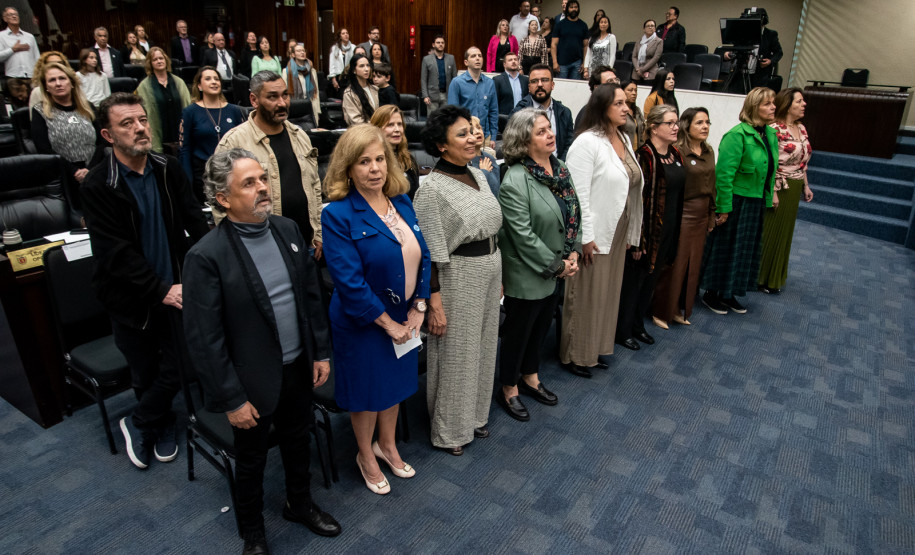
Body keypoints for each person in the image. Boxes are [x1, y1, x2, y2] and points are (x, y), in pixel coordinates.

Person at [183, 148, 341, 555]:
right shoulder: (206, 256)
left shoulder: (288, 230)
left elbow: (311, 298)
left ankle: (299, 504)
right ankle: (253, 535)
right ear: (223, 198)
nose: (263, 188)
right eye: (249, 183)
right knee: (252, 462)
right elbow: (205, 339)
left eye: (263, 179)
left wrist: (321, 353)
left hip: (298, 366)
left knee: (298, 440)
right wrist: (231, 399)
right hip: (250, 380)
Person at [80, 92, 209, 470]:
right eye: (127, 123)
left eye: (142, 120)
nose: (139, 128)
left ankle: (141, 419)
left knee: (183, 360)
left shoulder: (168, 168)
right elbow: (116, 253)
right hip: (129, 295)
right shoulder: (99, 184)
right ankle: (159, 420)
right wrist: (159, 289)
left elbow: (194, 220)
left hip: (175, 285)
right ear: (108, 136)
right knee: (145, 368)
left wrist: (209, 266)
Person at [321, 124, 431, 495]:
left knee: (395, 387)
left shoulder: (401, 201)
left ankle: (387, 445)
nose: (375, 168)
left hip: (404, 317)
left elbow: (424, 255)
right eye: (364, 161)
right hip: (365, 324)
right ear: (348, 168)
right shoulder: (338, 215)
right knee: (367, 394)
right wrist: (388, 325)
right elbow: (350, 283)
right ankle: (365, 454)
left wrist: (420, 305)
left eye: (380, 159)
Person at [412, 105, 502, 455]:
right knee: (457, 354)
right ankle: (450, 430)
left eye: (472, 131)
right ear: (441, 145)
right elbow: (430, 253)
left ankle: (475, 417)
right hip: (458, 275)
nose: (472, 138)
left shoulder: (477, 173)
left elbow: (492, 226)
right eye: (461, 134)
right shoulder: (431, 189)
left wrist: (499, 273)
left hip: (490, 267)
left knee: (484, 347)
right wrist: (434, 302)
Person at [498, 107, 581, 421]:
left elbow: (574, 211)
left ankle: (530, 376)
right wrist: (558, 266)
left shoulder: (559, 168)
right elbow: (523, 236)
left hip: (557, 268)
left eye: (550, 128)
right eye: (541, 131)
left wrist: (573, 254)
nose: (551, 135)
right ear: (524, 141)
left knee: (541, 328)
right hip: (527, 272)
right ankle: (509, 387)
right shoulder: (515, 179)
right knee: (518, 334)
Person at [560, 83, 642, 374]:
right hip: (593, 233)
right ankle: (576, 354)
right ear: (601, 107)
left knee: (607, 292)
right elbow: (577, 194)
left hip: (617, 226)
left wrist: (631, 230)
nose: (625, 108)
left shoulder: (623, 137)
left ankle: (595, 349)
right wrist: (585, 236)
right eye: (618, 103)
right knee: (587, 294)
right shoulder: (586, 142)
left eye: (625, 103)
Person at [216, 70, 324, 256]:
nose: (282, 103)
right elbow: (220, 205)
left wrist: (318, 232)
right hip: (260, 248)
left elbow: (314, 186)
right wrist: (236, 251)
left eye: (285, 95)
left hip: (306, 243)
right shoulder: (233, 143)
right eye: (272, 97)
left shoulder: (300, 136)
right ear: (254, 100)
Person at [701, 87, 777, 315]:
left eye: (773, 103)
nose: (773, 107)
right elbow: (724, 175)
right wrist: (724, 208)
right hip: (736, 201)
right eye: (767, 104)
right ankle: (712, 293)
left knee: (743, 250)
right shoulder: (737, 135)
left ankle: (729, 293)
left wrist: (768, 196)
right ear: (754, 107)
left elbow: (770, 169)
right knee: (725, 249)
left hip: (755, 201)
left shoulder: (770, 134)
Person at [615, 105, 684, 350]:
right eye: (670, 123)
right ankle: (623, 330)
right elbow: (637, 202)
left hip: (668, 228)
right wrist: (638, 239)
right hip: (646, 232)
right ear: (654, 127)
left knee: (650, 281)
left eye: (676, 122)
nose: (676, 127)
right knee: (634, 283)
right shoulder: (644, 156)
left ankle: (637, 325)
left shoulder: (675, 154)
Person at [652, 107, 715, 328]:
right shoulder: (677, 151)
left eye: (707, 122)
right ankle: (661, 311)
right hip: (683, 213)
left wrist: (712, 214)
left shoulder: (708, 151)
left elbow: (712, 185)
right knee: (675, 265)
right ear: (687, 126)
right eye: (699, 122)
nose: (705, 126)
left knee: (692, 266)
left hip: (702, 214)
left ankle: (679, 309)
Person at [758, 88, 813, 294]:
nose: (804, 104)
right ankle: (760, 277)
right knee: (770, 232)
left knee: (785, 234)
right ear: (788, 105)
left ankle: (774, 277)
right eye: (799, 101)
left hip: (795, 186)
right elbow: (769, 163)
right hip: (778, 187)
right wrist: (772, 191)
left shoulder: (802, 128)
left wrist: (806, 185)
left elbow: (803, 162)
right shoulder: (774, 129)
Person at [179, 66, 245, 204]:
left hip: (231, 174)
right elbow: (185, 149)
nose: (214, 82)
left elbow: (243, 144)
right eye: (208, 79)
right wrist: (187, 183)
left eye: (216, 79)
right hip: (203, 176)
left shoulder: (234, 111)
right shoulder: (190, 112)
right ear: (199, 86)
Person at [31, 61, 102, 186]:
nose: (58, 83)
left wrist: (91, 169)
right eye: (52, 80)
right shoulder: (39, 111)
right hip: (61, 175)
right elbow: (43, 149)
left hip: (94, 172)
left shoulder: (88, 107)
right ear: (46, 87)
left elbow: (102, 141)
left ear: (72, 82)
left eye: (62, 78)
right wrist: (74, 171)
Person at [510, 64, 574, 160]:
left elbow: (569, 145)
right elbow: (514, 146)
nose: (539, 84)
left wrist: (559, 165)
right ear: (529, 87)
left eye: (544, 80)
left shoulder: (564, 113)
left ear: (552, 85)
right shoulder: (519, 113)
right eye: (534, 81)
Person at [136, 47, 192, 152]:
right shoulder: (144, 86)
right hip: (159, 136)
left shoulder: (179, 82)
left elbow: (188, 106)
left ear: (166, 60)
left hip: (180, 133)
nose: (159, 61)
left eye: (161, 58)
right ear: (150, 63)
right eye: (155, 59)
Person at [447, 47, 497, 150]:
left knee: (487, 160)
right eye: (473, 56)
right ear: (466, 62)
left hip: (485, 137)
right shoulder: (457, 83)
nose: (477, 58)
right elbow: (453, 113)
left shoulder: (490, 83)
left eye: (480, 56)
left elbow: (493, 111)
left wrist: (493, 137)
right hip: (465, 137)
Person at [724, 8, 782, 90]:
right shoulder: (742, 33)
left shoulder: (771, 34)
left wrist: (770, 61)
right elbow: (735, 48)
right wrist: (727, 54)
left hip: (760, 75)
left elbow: (779, 52)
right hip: (740, 73)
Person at [370, 104, 419, 199]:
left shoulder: (408, 158)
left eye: (399, 124)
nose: (397, 129)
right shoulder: (373, 162)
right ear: (377, 129)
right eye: (390, 125)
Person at [0, 6, 40, 91]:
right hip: (13, 78)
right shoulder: (1, 36)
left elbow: (37, 58)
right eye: (10, 15)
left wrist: (38, 76)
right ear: (5, 19)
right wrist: (13, 49)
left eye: (16, 14)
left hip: (31, 77)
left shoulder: (29, 37)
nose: (14, 16)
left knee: (35, 99)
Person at [283, 43, 321, 123]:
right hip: (294, 106)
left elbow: (315, 92)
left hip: (309, 105)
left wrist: (317, 111)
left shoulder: (312, 71)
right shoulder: (287, 71)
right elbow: (284, 93)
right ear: (293, 55)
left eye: (303, 51)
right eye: (299, 51)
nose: (302, 52)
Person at [550, 0, 588, 80]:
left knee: (575, 86)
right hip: (561, 63)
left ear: (578, 9)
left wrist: (584, 63)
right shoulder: (560, 24)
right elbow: (553, 44)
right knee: (561, 86)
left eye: (575, 7)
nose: (574, 9)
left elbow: (585, 46)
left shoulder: (583, 25)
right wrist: (554, 62)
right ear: (567, 9)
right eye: (571, 7)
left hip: (577, 62)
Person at [573, 66, 617, 131]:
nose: (615, 83)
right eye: (610, 81)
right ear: (597, 88)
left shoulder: (616, 108)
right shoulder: (588, 113)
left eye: (616, 80)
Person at [420, 35, 456, 114]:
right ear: (433, 45)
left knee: (446, 118)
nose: (440, 44)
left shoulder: (451, 58)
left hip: (447, 95)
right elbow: (423, 79)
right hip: (432, 96)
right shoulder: (426, 59)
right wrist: (425, 96)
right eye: (438, 42)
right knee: (432, 119)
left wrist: (454, 95)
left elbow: (455, 78)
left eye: (442, 43)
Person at [342, 53, 378, 126]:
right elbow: (356, 120)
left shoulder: (375, 89)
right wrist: (375, 127)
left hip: (377, 129)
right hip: (362, 131)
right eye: (362, 66)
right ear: (354, 70)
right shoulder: (349, 93)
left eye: (368, 65)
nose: (366, 69)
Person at [469, 115, 500, 195]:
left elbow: (496, 191)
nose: (477, 132)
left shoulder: (490, 158)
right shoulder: (463, 162)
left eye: (479, 128)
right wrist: (484, 172)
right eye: (471, 130)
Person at [328, 28, 354, 96]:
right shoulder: (335, 48)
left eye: (347, 33)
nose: (346, 35)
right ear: (340, 36)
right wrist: (333, 80)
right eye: (343, 33)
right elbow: (332, 64)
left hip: (350, 76)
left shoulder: (353, 47)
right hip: (339, 77)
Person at [621, 79, 645, 147]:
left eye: (635, 90)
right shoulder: (619, 111)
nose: (634, 93)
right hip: (624, 149)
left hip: (638, 150)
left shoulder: (637, 110)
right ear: (622, 92)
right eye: (630, 90)